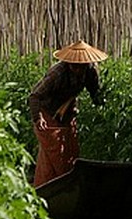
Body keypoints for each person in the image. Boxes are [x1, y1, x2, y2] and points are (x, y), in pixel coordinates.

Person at [29, 40, 108, 187]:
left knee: (70, 150)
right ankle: (51, 186)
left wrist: (104, 105)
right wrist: (38, 118)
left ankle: (61, 185)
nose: (78, 69)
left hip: (67, 113)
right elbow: (34, 96)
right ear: (68, 63)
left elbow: (95, 93)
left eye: (81, 66)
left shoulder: (90, 71)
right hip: (47, 113)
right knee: (54, 153)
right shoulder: (57, 74)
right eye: (74, 66)